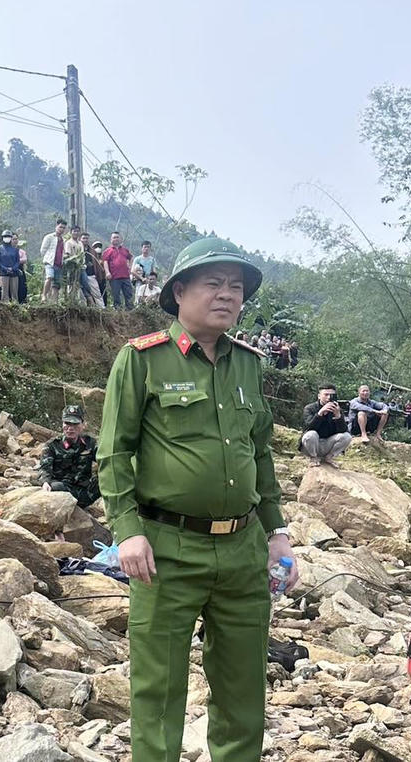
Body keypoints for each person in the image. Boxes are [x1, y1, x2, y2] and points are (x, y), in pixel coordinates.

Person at [97, 237, 295, 762]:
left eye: (236, 286)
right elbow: (114, 452)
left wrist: (277, 534)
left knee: (243, 686)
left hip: (243, 550)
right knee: (158, 688)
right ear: (179, 291)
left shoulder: (249, 364)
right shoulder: (142, 360)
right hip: (166, 548)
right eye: (214, 283)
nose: (227, 294)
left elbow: (262, 456)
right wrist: (128, 530)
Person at [39, 405, 100, 508]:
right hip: (62, 493)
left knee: (106, 479)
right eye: (67, 423)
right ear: (62, 424)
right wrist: (45, 482)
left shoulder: (90, 443)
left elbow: (104, 460)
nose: (70, 428)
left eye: (75, 423)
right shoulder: (52, 445)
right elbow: (45, 469)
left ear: (83, 425)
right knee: (53, 486)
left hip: (85, 493)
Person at [300, 384, 352, 466]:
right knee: (310, 434)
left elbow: (343, 430)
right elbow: (308, 427)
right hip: (311, 444)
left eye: (332, 395)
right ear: (319, 396)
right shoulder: (309, 408)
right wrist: (320, 414)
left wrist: (338, 416)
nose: (329, 398)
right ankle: (313, 457)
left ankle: (329, 457)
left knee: (347, 436)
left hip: (328, 443)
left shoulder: (337, 409)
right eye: (326, 394)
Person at [101, 231, 134, 310]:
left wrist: (130, 267)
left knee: (128, 294)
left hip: (125, 276)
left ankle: (129, 310)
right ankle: (118, 311)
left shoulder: (125, 250)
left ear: (120, 239)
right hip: (114, 277)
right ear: (111, 239)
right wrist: (107, 272)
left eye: (117, 237)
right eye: (114, 237)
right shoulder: (108, 251)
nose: (116, 239)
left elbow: (131, 258)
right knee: (116, 295)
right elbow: (105, 262)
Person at [39, 218, 67, 303]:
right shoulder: (49, 237)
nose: (61, 229)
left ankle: (54, 301)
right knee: (49, 277)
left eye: (63, 228)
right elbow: (43, 250)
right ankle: (44, 295)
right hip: (50, 262)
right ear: (56, 226)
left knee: (56, 284)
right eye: (60, 227)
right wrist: (47, 259)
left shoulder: (64, 240)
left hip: (59, 264)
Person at [0, 230, 21, 303]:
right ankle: (5, 306)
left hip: (14, 273)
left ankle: (15, 306)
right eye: (5, 237)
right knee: (4, 293)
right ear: (2, 238)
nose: (7, 238)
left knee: (14, 293)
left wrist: (13, 268)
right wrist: (5, 269)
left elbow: (17, 261)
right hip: (3, 273)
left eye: (8, 237)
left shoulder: (15, 249)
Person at [79, 233, 105, 308]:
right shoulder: (77, 248)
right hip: (79, 275)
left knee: (96, 293)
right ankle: (84, 309)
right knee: (82, 293)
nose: (85, 240)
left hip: (91, 275)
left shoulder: (92, 251)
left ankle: (101, 308)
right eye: (83, 238)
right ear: (80, 239)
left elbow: (96, 264)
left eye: (87, 238)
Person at [62, 226, 86, 304]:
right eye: (74, 231)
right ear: (71, 232)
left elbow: (82, 255)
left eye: (77, 231)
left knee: (81, 284)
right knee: (71, 284)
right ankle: (70, 300)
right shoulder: (68, 242)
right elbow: (67, 255)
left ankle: (78, 301)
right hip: (71, 267)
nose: (76, 233)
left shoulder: (80, 243)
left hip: (80, 267)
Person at [13, 233, 29, 303]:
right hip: (9, 272)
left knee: (22, 287)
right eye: (13, 239)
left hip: (20, 271)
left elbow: (24, 259)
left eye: (16, 239)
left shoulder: (21, 251)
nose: (15, 241)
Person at [90, 240, 108, 304]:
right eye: (96, 246)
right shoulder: (91, 257)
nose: (98, 248)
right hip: (94, 278)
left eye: (99, 246)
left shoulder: (103, 258)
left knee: (103, 292)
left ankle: (104, 306)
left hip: (102, 279)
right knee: (94, 293)